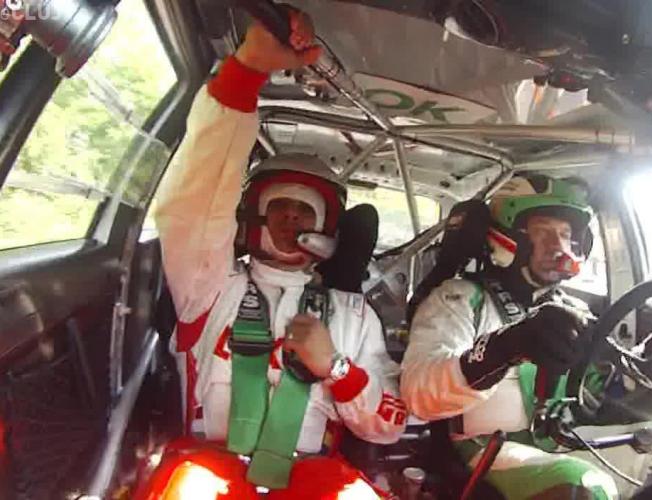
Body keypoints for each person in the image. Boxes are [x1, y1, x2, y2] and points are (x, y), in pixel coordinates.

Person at [152, 9, 406, 497]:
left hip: (314, 477)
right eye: (280, 208)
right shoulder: (209, 284)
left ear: (327, 228)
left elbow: (388, 425)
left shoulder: (353, 316)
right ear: (252, 217)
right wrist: (245, 72)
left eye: (304, 212)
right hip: (209, 466)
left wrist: (336, 369)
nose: (291, 220)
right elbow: (196, 199)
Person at [401, 175, 618, 499]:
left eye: (565, 234)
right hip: (483, 447)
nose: (558, 246)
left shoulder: (573, 310)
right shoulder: (460, 299)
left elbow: (595, 387)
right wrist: (503, 348)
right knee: (582, 484)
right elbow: (418, 393)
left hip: (559, 439)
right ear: (507, 237)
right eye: (542, 231)